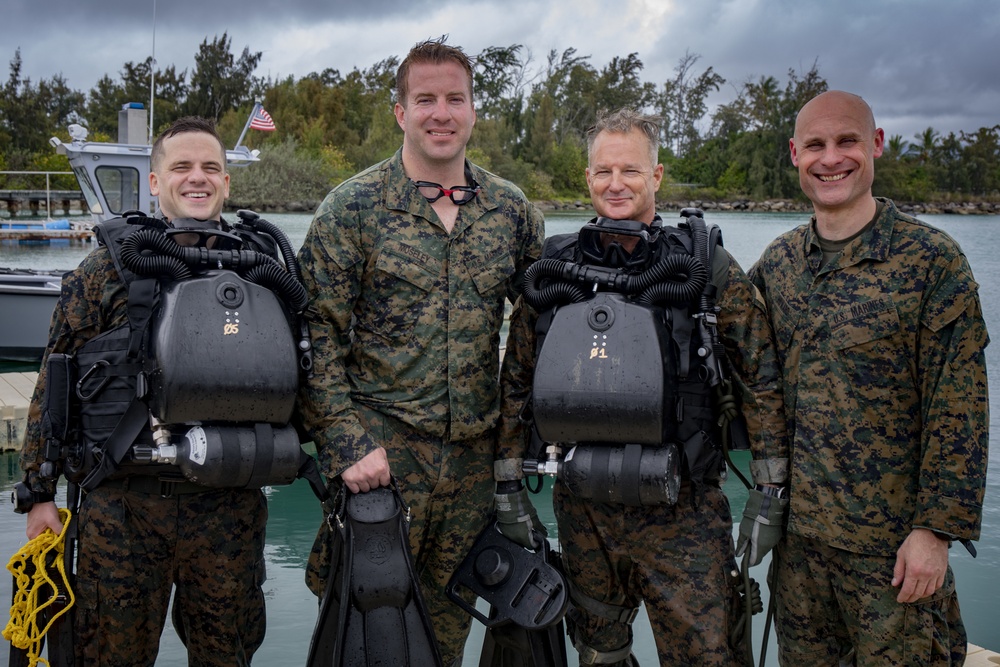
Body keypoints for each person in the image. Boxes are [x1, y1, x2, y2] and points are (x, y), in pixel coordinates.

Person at [499, 107, 789, 666]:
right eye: (603, 171)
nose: (616, 184)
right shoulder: (555, 268)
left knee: (708, 656)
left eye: (631, 170)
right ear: (587, 178)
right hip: (582, 506)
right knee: (598, 652)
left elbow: (761, 376)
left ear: (656, 177)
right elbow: (516, 378)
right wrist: (507, 482)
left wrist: (769, 488)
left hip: (684, 507)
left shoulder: (703, 266)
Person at [15, 116, 308, 666]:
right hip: (122, 509)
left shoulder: (264, 272)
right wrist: (38, 494)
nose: (197, 179)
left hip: (229, 507)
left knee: (228, 657)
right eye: (181, 167)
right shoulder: (105, 270)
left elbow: (306, 374)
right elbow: (53, 382)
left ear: (226, 182)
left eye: (210, 168)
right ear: (155, 182)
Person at [295, 38, 545, 666]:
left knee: (446, 639)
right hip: (380, 464)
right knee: (361, 635)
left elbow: (538, 333)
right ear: (401, 112)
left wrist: (515, 446)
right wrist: (347, 444)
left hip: (472, 469)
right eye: (425, 99)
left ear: (473, 111)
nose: (441, 113)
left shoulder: (510, 211)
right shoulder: (351, 208)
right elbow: (313, 331)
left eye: (454, 99)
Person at [749, 90, 989, 665]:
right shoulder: (779, 264)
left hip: (892, 556)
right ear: (795, 155)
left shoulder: (930, 260)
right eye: (816, 145)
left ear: (875, 144)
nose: (831, 158)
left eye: (847, 141)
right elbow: (730, 354)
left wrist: (936, 532)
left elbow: (960, 408)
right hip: (799, 550)